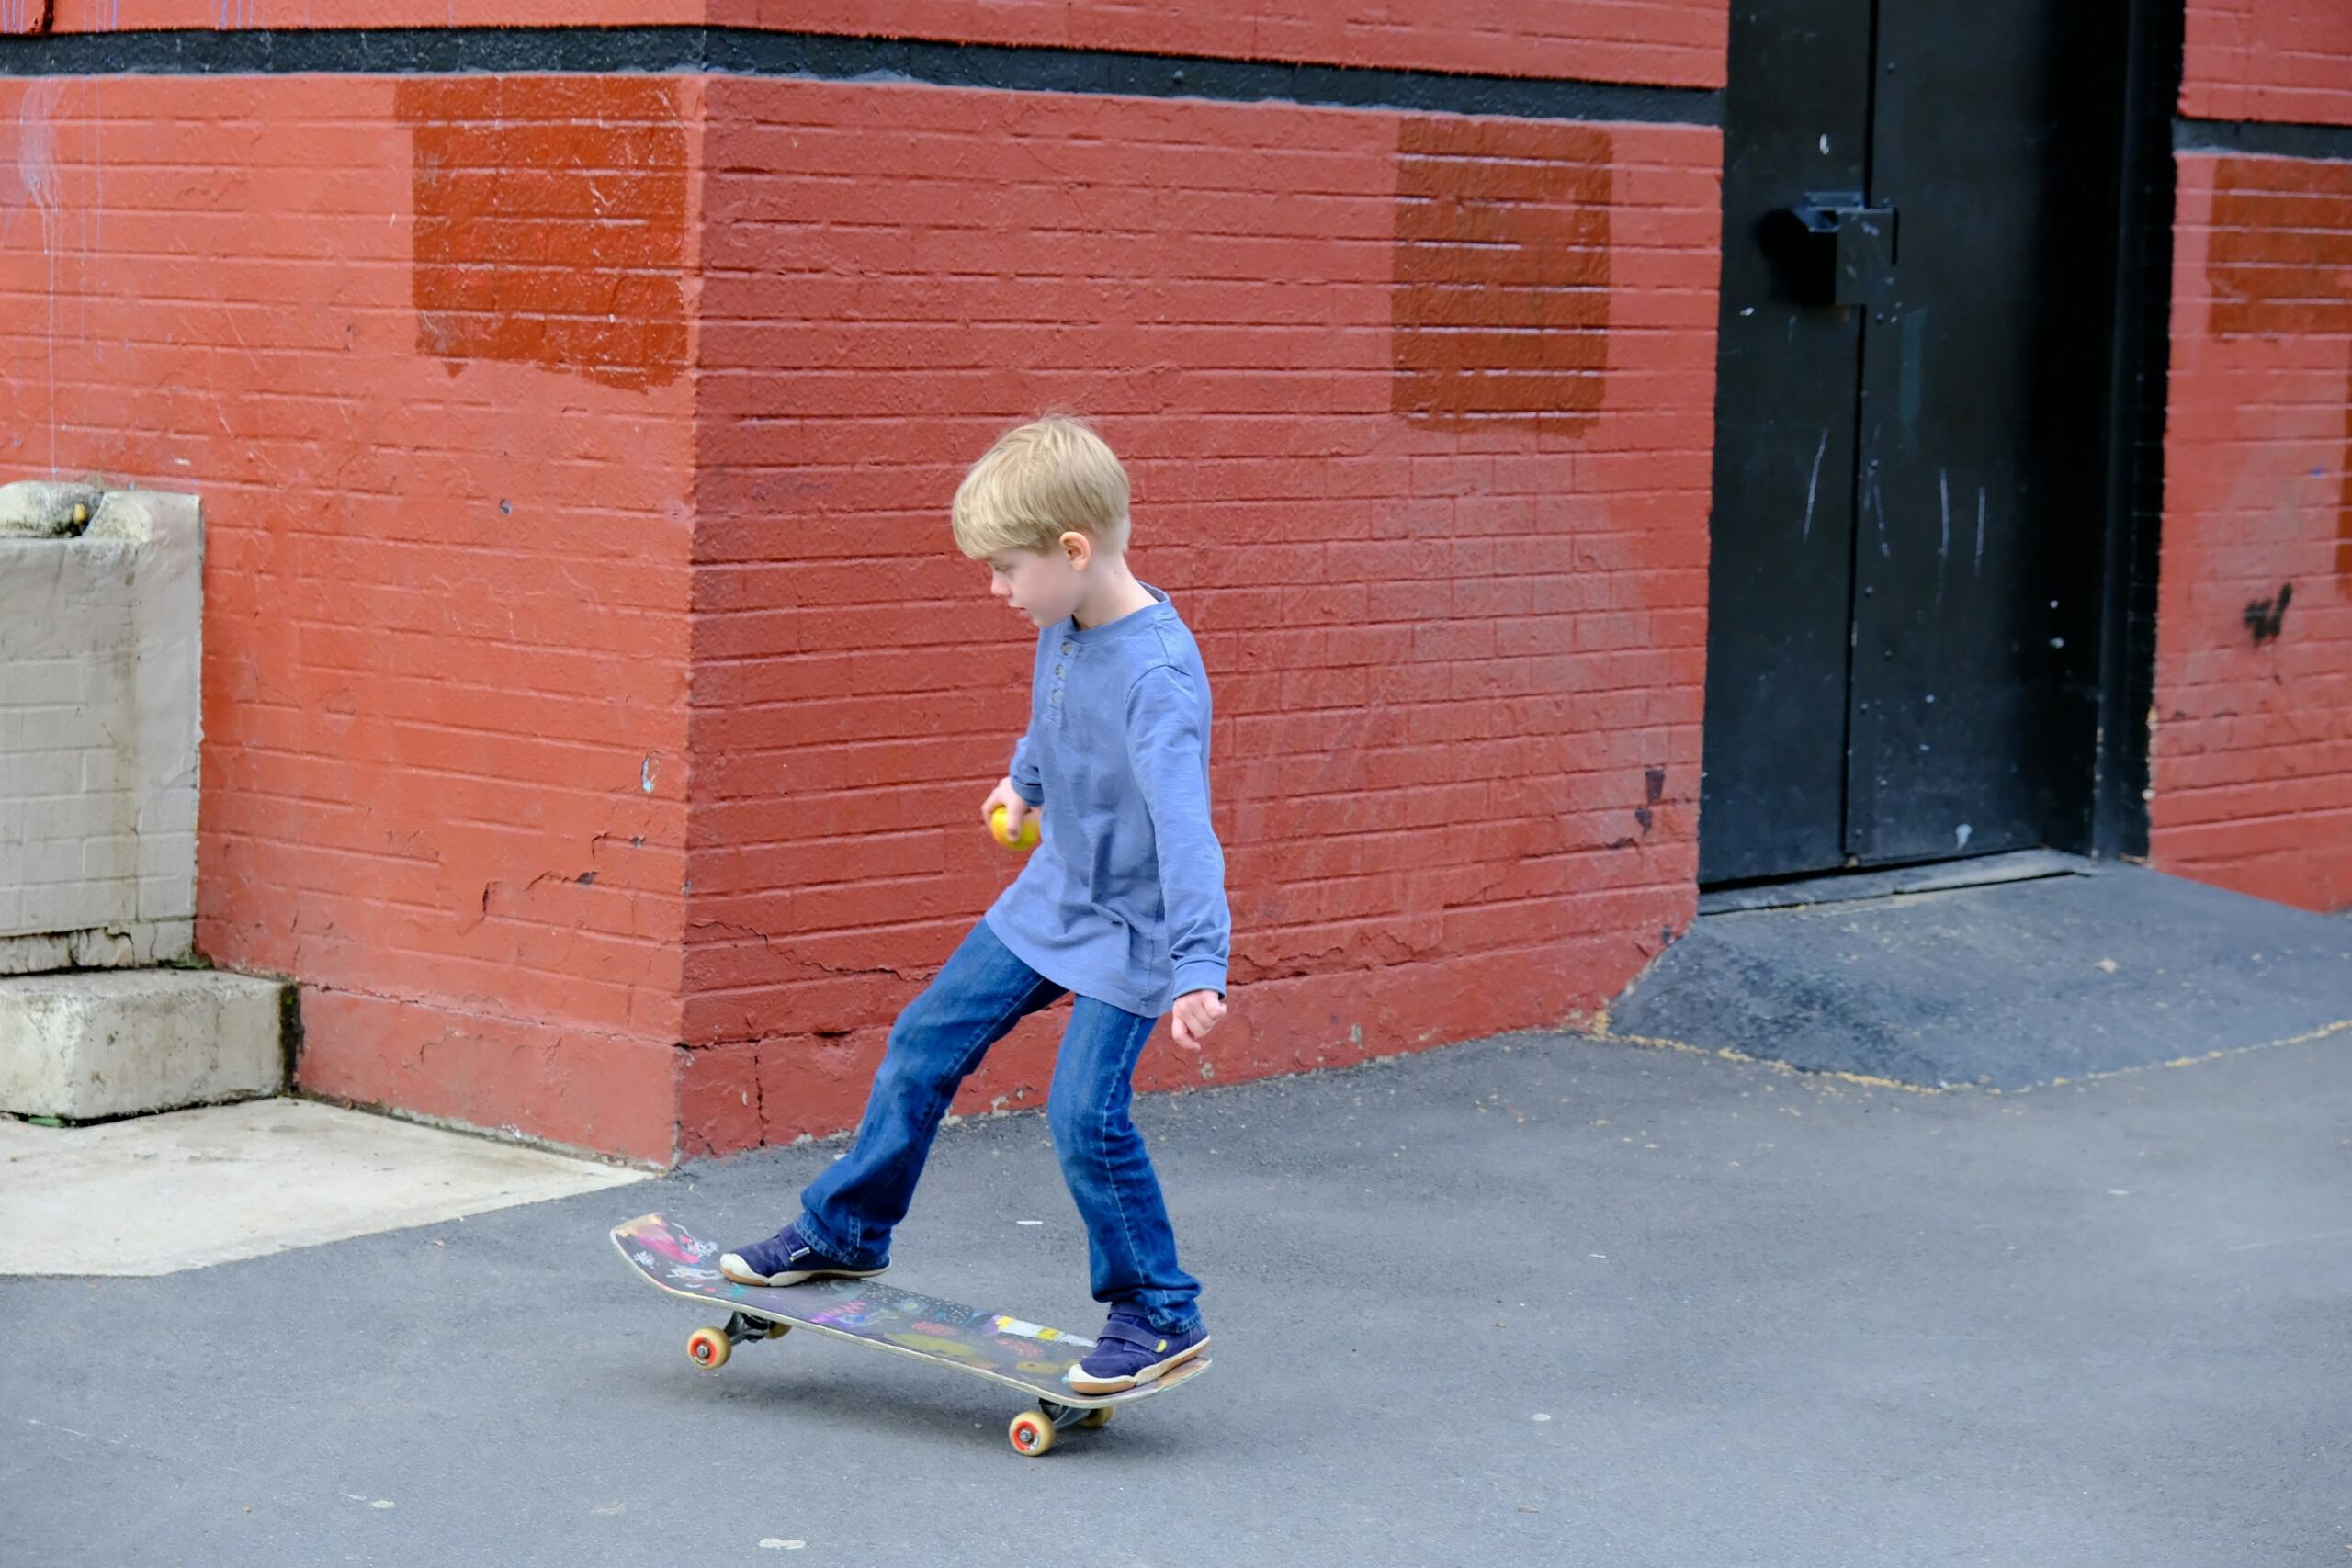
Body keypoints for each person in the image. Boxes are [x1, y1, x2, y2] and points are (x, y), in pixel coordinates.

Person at [721, 414, 1230, 1394]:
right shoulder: (1068, 621)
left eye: (1005, 569)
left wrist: (1199, 966)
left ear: (1072, 551)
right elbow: (1055, 712)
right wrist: (1024, 783)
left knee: (1084, 1115)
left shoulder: (1160, 676)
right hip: (1052, 899)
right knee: (923, 1042)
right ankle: (845, 1231)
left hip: (1134, 931)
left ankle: (1159, 1311)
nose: (996, 590)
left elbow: (1186, 833)